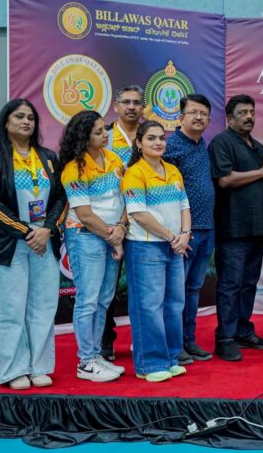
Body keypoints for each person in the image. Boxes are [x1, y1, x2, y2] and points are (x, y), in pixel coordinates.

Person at [0, 99, 67, 390]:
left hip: (45, 242)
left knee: (43, 307)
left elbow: (61, 197)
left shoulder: (48, 157)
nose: (26, 122)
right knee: (10, 310)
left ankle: (39, 366)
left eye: (30, 117)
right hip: (8, 244)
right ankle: (14, 370)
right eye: (19, 116)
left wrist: (47, 229)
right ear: (6, 122)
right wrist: (27, 232)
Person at [58, 110, 127, 383]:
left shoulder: (114, 159)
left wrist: (121, 228)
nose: (105, 135)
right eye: (98, 132)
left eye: (104, 129)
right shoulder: (73, 169)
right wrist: (114, 237)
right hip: (85, 236)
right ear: (84, 137)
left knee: (104, 299)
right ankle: (85, 361)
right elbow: (84, 214)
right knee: (88, 300)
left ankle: (96, 355)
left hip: (112, 234)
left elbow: (126, 197)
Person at [121, 121, 192, 382]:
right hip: (146, 247)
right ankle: (149, 364)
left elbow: (184, 206)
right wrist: (172, 237)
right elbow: (138, 214)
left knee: (174, 304)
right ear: (139, 144)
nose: (158, 142)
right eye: (151, 138)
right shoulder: (134, 173)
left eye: (161, 138)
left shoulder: (172, 170)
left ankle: (171, 358)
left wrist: (185, 235)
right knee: (149, 306)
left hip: (174, 246)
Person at [209, 94, 263, 361]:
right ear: (229, 118)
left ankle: (242, 331)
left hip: (257, 228)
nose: (249, 117)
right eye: (242, 113)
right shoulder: (222, 142)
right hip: (233, 229)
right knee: (231, 284)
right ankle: (225, 338)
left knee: (248, 283)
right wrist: (262, 172)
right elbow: (225, 179)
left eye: (251, 112)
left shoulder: (258, 147)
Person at [163, 94, 217, 365]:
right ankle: (172, 344)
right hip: (183, 232)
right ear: (181, 116)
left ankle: (188, 339)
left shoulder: (202, 143)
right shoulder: (170, 145)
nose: (199, 117)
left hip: (207, 228)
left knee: (193, 288)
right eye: (193, 112)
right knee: (176, 291)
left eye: (203, 114)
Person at [100, 84, 145, 359]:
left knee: (143, 286)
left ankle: (142, 339)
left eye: (136, 102)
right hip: (112, 221)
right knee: (108, 286)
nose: (131, 107)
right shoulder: (103, 136)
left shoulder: (150, 135)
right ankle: (106, 341)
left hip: (143, 221)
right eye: (126, 102)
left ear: (143, 108)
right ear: (116, 107)